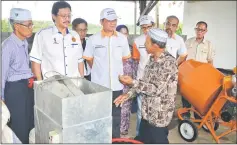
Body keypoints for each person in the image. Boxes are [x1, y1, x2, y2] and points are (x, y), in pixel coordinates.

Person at [114, 28, 178, 144]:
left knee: (158, 140)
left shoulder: (169, 63)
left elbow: (155, 89)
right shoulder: (151, 59)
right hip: (146, 114)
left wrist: (132, 82)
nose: (144, 44)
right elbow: (144, 83)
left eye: (147, 42)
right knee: (143, 140)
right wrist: (127, 95)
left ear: (155, 45)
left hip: (158, 116)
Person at [83, 8, 131, 138]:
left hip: (117, 85)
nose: (112, 23)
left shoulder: (122, 39)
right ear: (101, 22)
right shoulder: (93, 39)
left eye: (114, 20)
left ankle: (114, 139)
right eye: (109, 20)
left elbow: (125, 59)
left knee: (116, 116)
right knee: (99, 116)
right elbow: (89, 59)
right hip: (99, 86)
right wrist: (100, 71)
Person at [1, 8, 35, 143]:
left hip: (26, 87)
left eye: (32, 24)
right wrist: (1, 98)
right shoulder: (8, 46)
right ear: (16, 26)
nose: (31, 28)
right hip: (14, 90)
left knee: (29, 123)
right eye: (28, 25)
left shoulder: (24, 42)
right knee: (19, 126)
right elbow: (1, 74)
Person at [30, 1, 84, 80]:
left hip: (74, 84)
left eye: (69, 15)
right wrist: (40, 83)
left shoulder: (75, 35)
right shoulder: (42, 35)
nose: (67, 19)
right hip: (52, 85)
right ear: (53, 16)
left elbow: (80, 60)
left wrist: (81, 79)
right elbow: (36, 61)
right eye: (63, 16)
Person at [182, 21, 215, 119]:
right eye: (198, 29)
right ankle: (185, 116)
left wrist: (210, 76)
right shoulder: (188, 42)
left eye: (202, 30)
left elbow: (210, 61)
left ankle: (198, 116)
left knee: (198, 97)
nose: (199, 31)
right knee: (186, 96)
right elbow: (183, 58)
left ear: (206, 31)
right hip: (188, 74)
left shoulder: (209, 45)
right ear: (195, 29)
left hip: (201, 76)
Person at [132, 15, 155, 136]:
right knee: (141, 111)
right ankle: (139, 135)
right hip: (142, 79)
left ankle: (153, 135)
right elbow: (136, 59)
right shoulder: (137, 41)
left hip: (156, 81)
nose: (146, 30)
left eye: (149, 27)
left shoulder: (160, 39)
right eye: (144, 28)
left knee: (155, 110)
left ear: (153, 25)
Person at [116, 24, 136, 137]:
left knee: (126, 108)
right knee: (117, 107)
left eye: (126, 33)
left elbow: (136, 64)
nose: (124, 36)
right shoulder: (114, 48)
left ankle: (124, 130)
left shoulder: (132, 48)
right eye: (121, 33)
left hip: (129, 82)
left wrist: (134, 81)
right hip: (116, 82)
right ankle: (116, 131)